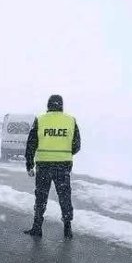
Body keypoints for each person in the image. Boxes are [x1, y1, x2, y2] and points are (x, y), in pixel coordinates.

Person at [23, 94, 81, 239]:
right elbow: (76, 145)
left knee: (41, 197)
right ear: (61, 105)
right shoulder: (70, 121)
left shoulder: (40, 120)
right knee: (65, 196)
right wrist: (65, 153)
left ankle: (37, 228)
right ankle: (67, 229)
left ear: (48, 105)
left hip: (43, 165)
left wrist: (29, 164)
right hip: (63, 165)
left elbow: (31, 144)